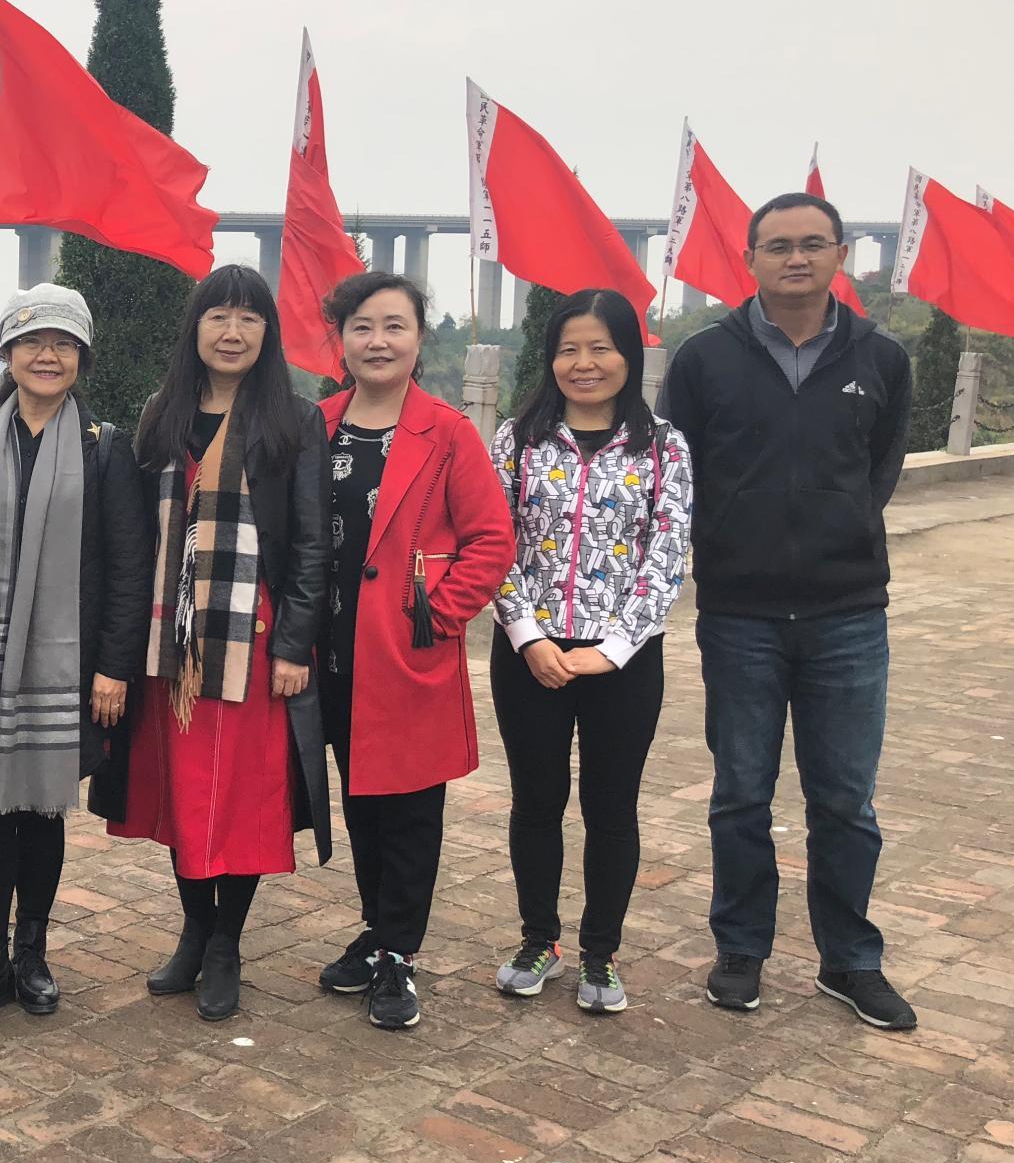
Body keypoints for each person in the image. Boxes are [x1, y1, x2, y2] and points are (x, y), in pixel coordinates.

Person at [660, 192, 916, 1029]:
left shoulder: (881, 357)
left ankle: (850, 960)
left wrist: (839, 529)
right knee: (741, 793)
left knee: (845, 800)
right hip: (741, 614)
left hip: (848, 612)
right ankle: (741, 948)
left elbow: (879, 469)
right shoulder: (705, 358)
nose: (796, 258)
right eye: (778, 246)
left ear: (841, 253)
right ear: (750, 259)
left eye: (813, 243)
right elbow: (680, 470)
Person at [0, 285, 146, 1033]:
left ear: (81, 357)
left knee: (45, 810)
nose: (48, 356)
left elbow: (127, 566)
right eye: (32, 342)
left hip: (68, 673)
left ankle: (33, 955)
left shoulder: (104, 448)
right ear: (9, 354)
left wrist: (114, 666)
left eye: (63, 344)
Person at [108, 264, 331, 1023]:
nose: (232, 332)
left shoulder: (294, 420)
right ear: (195, 327)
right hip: (170, 639)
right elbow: (135, 533)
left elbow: (310, 546)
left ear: (267, 332)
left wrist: (294, 645)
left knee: (241, 798)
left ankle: (228, 942)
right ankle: (194, 931)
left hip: (252, 640)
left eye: (248, 318)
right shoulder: (161, 414)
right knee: (181, 790)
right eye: (217, 316)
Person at [312, 272, 510, 1030]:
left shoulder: (448, 433)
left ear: (420, 338)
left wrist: (436, 617)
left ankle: (399, 953)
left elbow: (490, 540)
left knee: (412, 811)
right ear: (341, 340)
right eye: (362, 326)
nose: (378, 341)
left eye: (394, 326)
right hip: (333, 655)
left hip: (407, 655)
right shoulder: (318, 425)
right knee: (362, 801)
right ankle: (377, 930)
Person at [488, 289, 693, 1014]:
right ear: (550, 359)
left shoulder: (664, 446)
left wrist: (614, 647)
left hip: (624, 661)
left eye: (600, 348)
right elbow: (493, 543)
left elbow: (668, 553)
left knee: (612, 807)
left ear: (628, 355)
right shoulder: (517, 441)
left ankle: (600, 953)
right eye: (569, 349)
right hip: (530, 655)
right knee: (536, 801)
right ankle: (538, 939)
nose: (584, 363)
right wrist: (528, 636)